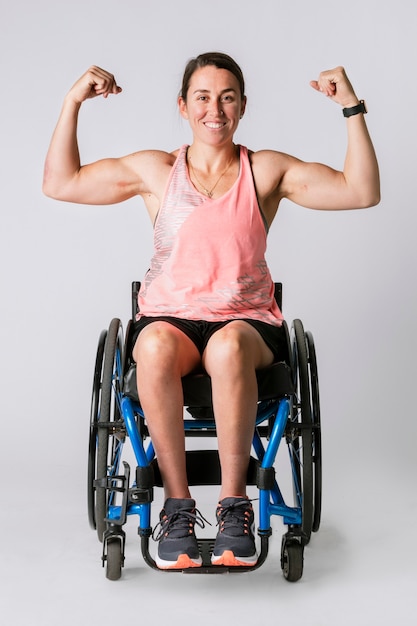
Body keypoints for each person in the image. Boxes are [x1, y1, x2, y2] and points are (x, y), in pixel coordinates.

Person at [43, 52, 380, 570]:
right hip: (169, 322)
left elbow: (361, 192)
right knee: (150, 344)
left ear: (242, 106)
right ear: (183, 106)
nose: (214, 109)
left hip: (246, 326)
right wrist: (72, 102)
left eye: (226, 97)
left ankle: (234, 507)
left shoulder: (265, 169)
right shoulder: (156, 171)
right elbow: (60, 183)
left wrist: (352, 107)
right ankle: (176, 509)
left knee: (225, 348)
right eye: (202, 97)